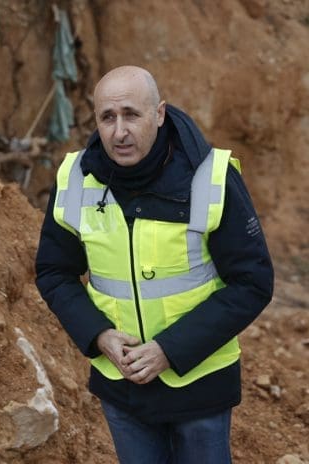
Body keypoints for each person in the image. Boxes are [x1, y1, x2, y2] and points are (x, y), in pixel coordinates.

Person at [35, 65, 274, 463]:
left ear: (159, 113)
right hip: (122, 388)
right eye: (107, 117)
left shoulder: (210, 177)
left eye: (131, 114)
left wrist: (169, 349)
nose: (119, 132)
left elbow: (253, 282)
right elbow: (54, 272)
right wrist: (99, 336)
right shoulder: (75, 180)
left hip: (200, 386)